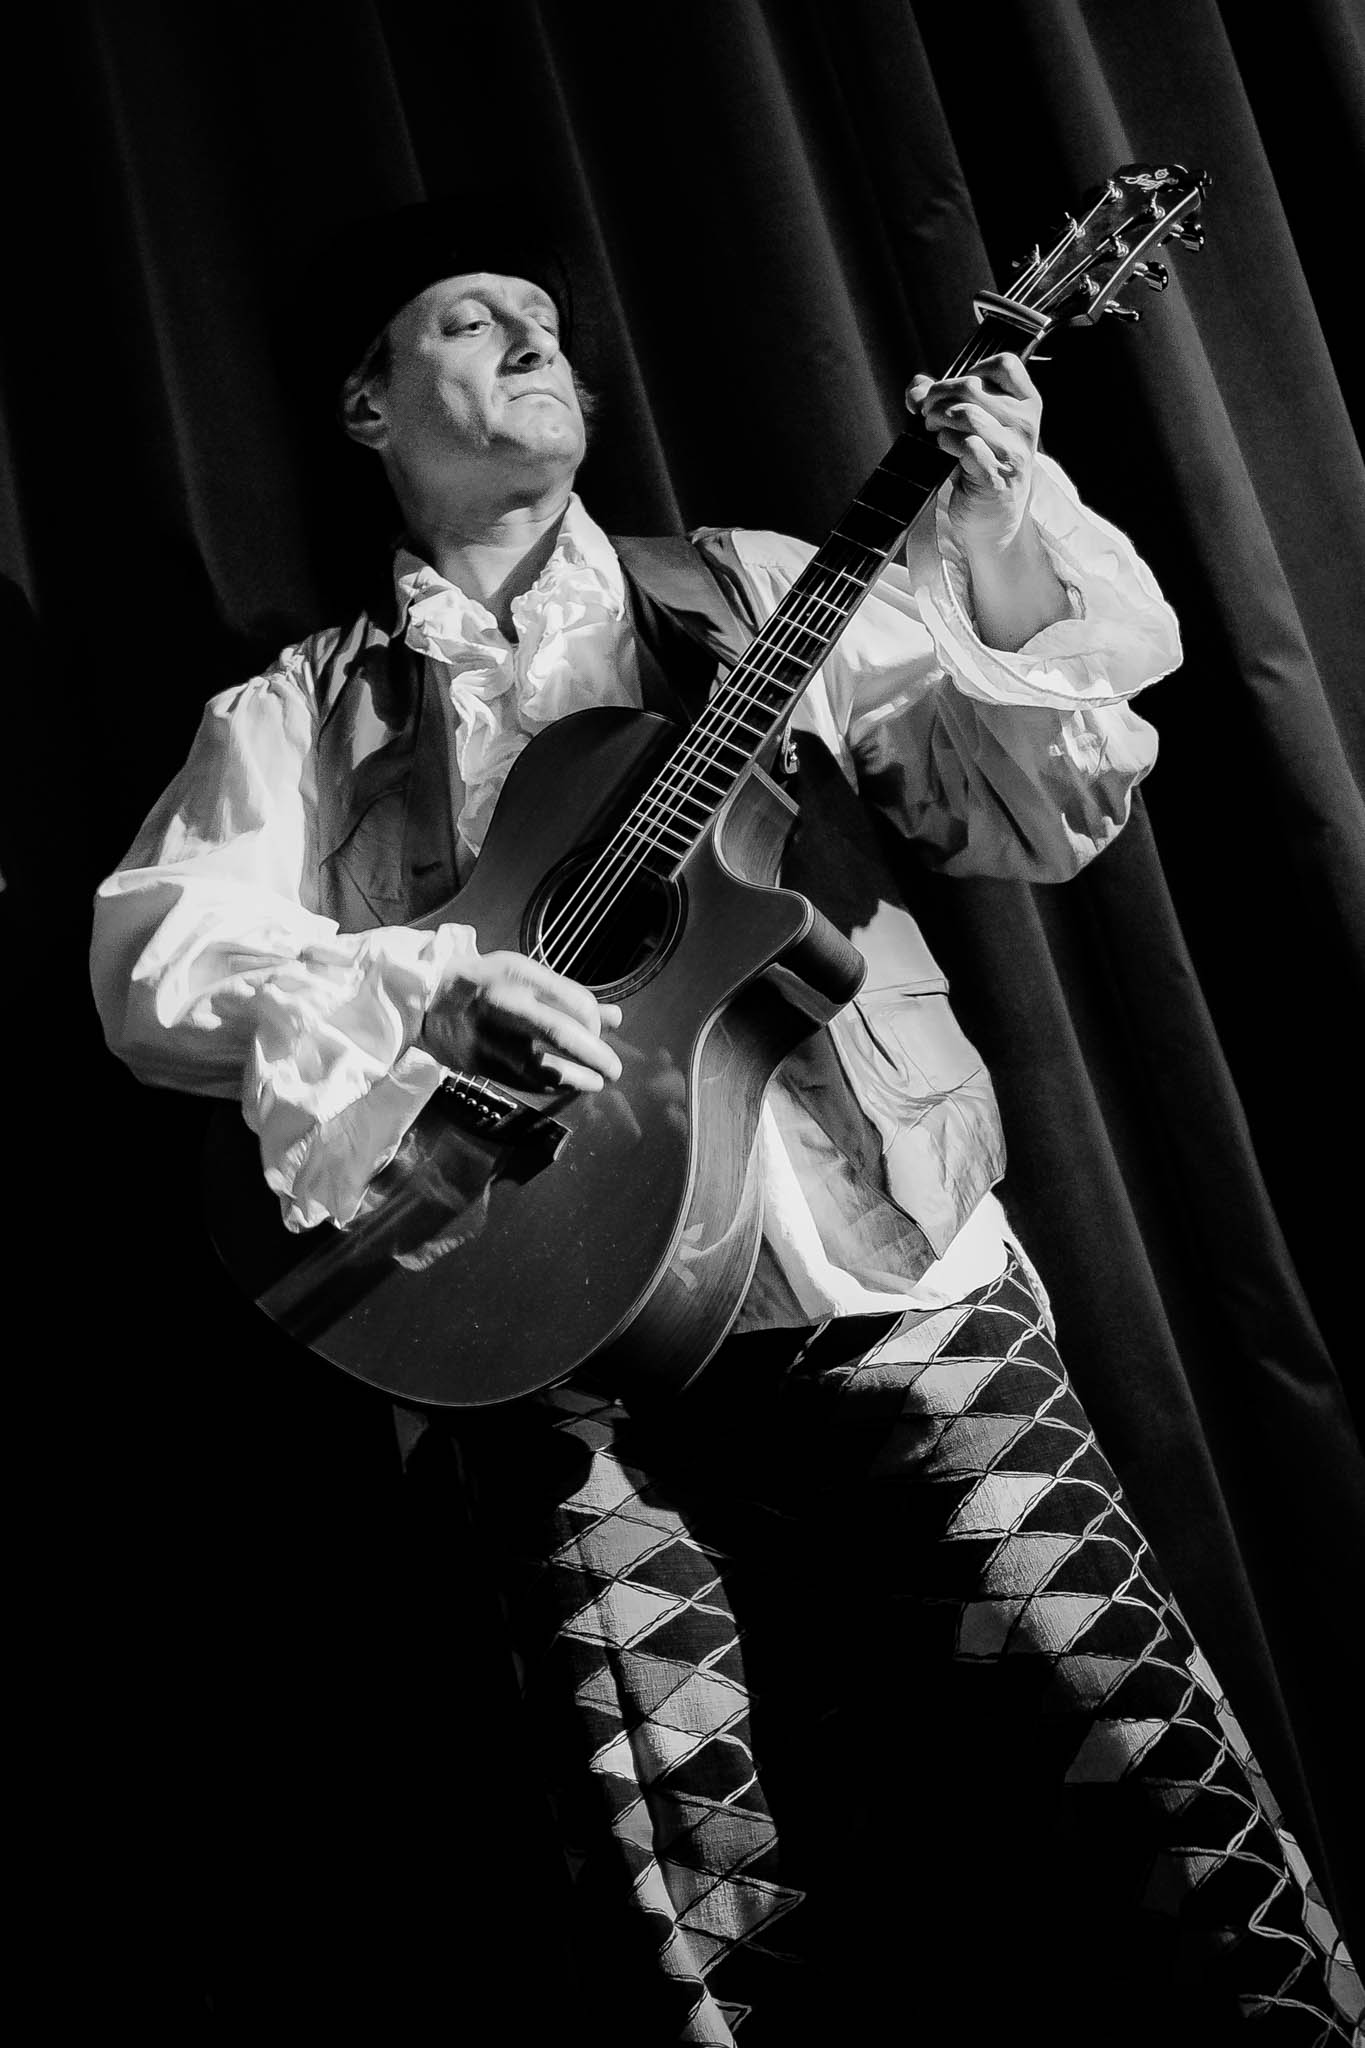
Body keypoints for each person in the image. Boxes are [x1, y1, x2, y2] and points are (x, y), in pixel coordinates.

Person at [90, 202, 1360, 2044]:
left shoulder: (762, 589)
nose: (536, 334)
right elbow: (161, 963)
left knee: (1139, 1763)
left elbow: (1033, 807)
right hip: (535, 1336)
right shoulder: (299, 708)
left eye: (547, 313)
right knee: (682, 1895)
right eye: (473, 317)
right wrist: (428, 981)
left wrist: (1000, 518)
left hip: (883, 1265)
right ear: (368, 405)